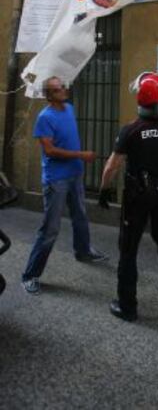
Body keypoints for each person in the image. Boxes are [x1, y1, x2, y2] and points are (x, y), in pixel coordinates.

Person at [99, 71, 158, 322]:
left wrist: (105, 189)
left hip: (138, 195)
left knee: (128, 249)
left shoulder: (131, 130)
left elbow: (112, 166)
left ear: (140, 99)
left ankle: (127, 306)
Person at [21, 76, 107, 295]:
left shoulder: (69, 108)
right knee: (50, 229)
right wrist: (81, 155)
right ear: (49, 95)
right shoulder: (44, 117)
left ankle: (83, 251)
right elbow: (49, 151)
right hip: (56, 180)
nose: (64, 90)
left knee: (80, 216)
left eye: (63, 86)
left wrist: (78, 161)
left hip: (74, 174)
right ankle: (30, 275)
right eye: (59, 89)